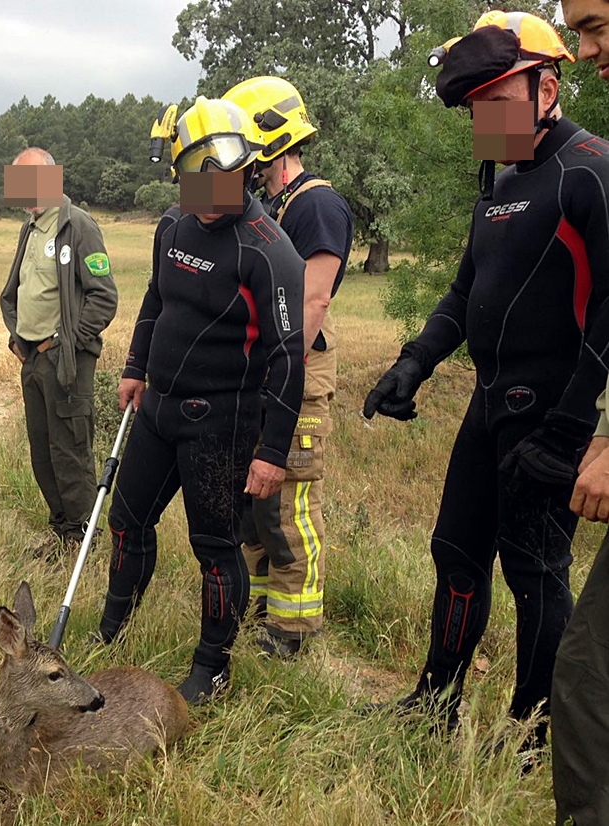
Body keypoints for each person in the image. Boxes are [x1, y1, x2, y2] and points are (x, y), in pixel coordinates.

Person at [362, 10, 609, 765]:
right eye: (477, 109)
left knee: (534, 573)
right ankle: (435, 701)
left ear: (548, 87)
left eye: (499, 103)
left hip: (554, 413)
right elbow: (466, 292)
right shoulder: (500, 178)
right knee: (456, 554)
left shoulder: (589, 170)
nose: (486, 121)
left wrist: (572, 430)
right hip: (490, 404)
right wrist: (415, 361)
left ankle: (534, 729)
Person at [93, 97, 307, 705]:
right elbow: (156, 300)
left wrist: (272, 452)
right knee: (125, 520)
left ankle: (212, 667)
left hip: (224, 424)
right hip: (159, 410)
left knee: (214, 548)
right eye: (196, 180)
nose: (209, 194)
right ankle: (112, 631)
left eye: (223, 180)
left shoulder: (270, 251)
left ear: (246, 169)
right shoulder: (173, 224)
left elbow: (290, 357)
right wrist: (135, 367)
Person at [224, 76, 355, 658]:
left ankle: (293, 629)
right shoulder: (276, 206)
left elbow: (313, 301)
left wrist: (277, 377)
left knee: (290, 505)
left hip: (295, 381)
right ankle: (261, 610)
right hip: (262, 378)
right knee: (256, 506)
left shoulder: (318, 206)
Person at [0, 147, 118, 559]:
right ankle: (62, 531)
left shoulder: (78, 226)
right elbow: (18, 290)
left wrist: (68, 343)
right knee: (43, 452)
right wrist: (19, 339)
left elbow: (104, 298)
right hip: (33, 360)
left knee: (71, 451)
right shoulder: (31, 227)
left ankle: (84, 539)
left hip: (66, 362)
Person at [554, 2, 609, 820]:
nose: (587, 49)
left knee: (586, 674)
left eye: (596, 23)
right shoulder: (504, 180)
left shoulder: (589, 167)